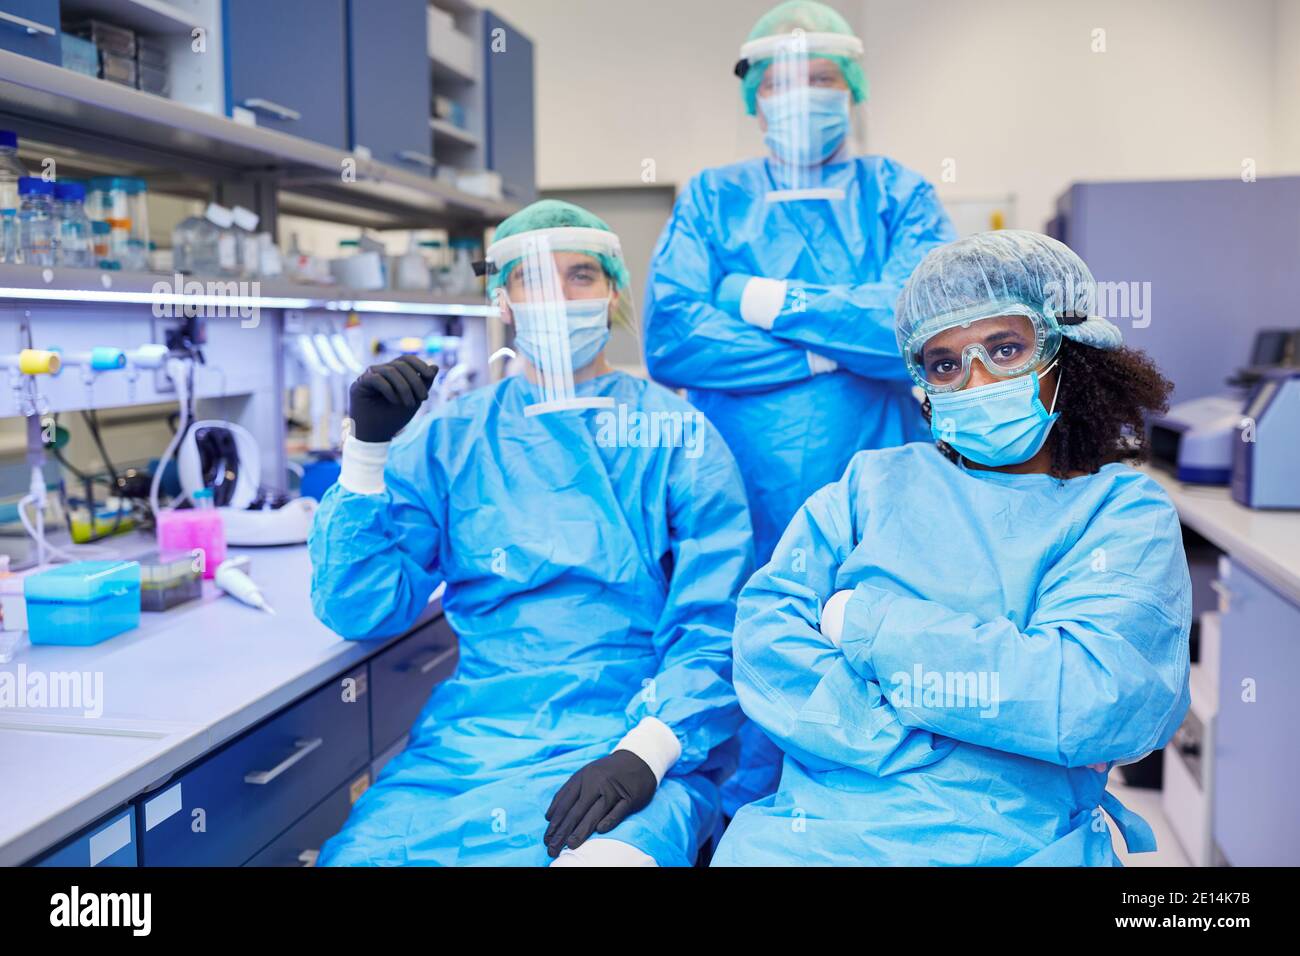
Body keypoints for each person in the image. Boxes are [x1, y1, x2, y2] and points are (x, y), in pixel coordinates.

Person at [712, 230, 1192, 866]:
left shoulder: (1119, 512)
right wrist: (913, 738)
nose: (976, 379)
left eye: (1005, 348)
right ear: (923, 385)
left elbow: (1091, 698)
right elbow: (765, 637)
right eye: (945, 364)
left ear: (1068, 347)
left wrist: (867, 625)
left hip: (1016, 840)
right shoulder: (871, 484)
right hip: (809, 837)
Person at [309, 200, 753, 866]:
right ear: (505, 301)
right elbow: (361, 607)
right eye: (535, 280)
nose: (560, 296)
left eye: (581, 276)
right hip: (468, 749)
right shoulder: (454, 438)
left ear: (612, 295)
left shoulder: (677, 437)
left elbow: (716, 624)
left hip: (630, 737)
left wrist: (649, 750)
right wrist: (368, 454)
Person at [643, 0, 956, 811]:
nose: (802, 94)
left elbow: (915, 331)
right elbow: (674, 338)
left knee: (880, 662)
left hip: (882, 495)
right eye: (782, 81)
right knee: (748, 656)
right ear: (754, 96)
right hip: (739, 496)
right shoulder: (712, 198)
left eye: (819, 76)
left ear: (849, 86)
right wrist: (835, 345)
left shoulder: (900, 194)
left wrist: (759, 297)